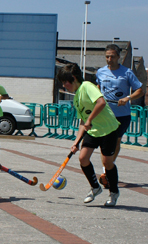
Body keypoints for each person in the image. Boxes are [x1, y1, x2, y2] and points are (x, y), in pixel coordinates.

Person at [57, 63, 120, 207]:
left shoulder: (87, 86)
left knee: (107, 163)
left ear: (73, 78)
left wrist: (90, 120)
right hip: (93, 131)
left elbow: (101, 102)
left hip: (108, 129)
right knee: (83, 158)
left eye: (65, 82)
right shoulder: (76, 97)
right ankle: (95, 187)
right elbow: (82, 122)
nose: (64, 85)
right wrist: (76, 142)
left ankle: (114, 192)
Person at [96, 44, 143, 188]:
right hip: (105, 114)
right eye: (107, 56)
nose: (109, 59)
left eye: (112, 56)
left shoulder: (127, 72)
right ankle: (107, 169)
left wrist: (128, 98)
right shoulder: (100, 72)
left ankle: (107, 169)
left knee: (116, 141)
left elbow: (140, 90)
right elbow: (98, 88)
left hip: (122, 115)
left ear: (118, 57)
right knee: (104, 142)